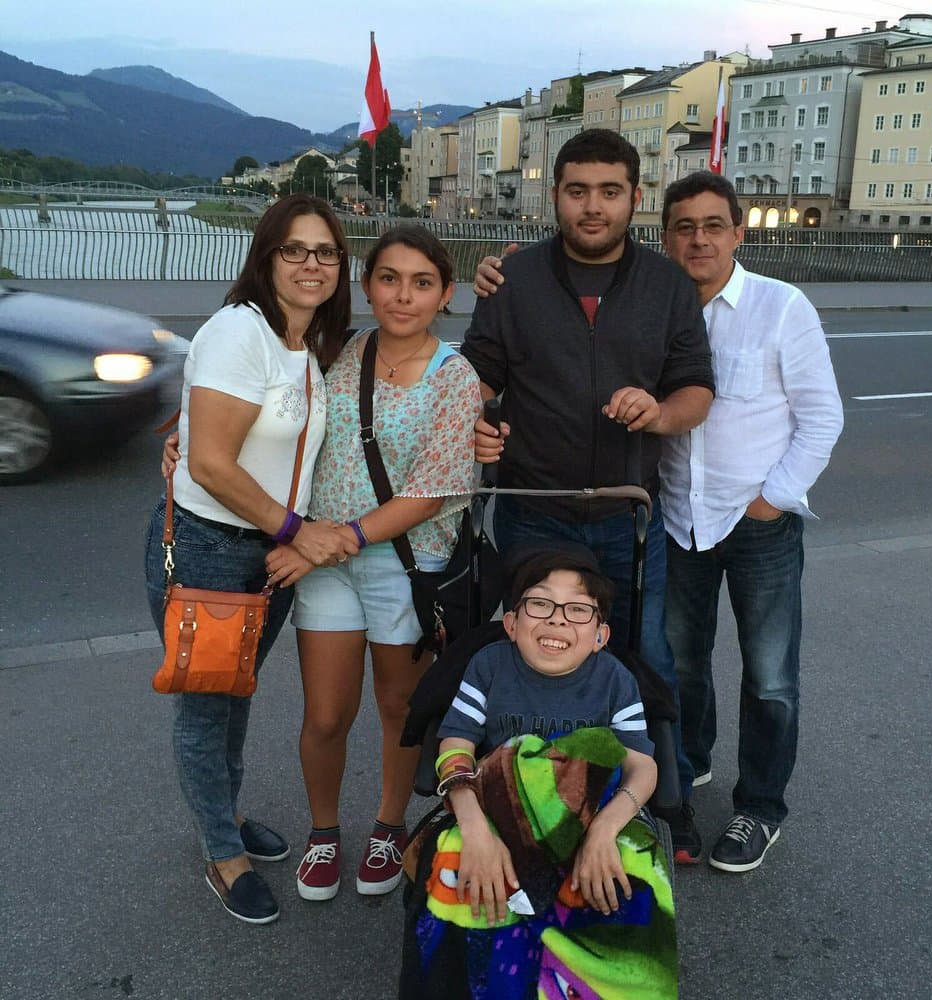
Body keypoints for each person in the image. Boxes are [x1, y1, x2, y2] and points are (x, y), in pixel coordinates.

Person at [465, 128, 715, 864]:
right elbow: (478, 374)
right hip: (532, 511)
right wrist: (470, 416)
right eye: (578, 191)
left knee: (647, 663)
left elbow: (696, 386)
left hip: (629, 519)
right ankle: (525, 800)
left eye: (610, 191)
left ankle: (667, 804)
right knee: (532, 657)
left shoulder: (668, 285)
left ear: (634, 198)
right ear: (556, 196)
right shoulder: (513, 279)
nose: (593, 206)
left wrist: (660, 413)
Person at [143, 194, 356, 924]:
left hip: (262, 553)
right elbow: (208, 462)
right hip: (211, 546)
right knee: (207, 708)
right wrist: (297, 528)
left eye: (325, 252)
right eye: (294, 250)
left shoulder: (304, 343)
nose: (311, 264)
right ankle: (220, 851)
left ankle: (221, 816)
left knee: (235, 695)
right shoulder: (243, 331)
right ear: (265, 257)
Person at [263, 226, 482, 903]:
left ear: (446, 294)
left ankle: (389, 825)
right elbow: (274, 416)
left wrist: (331, 539)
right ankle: (324, 830)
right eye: (389, 278)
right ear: (367, 286)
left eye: (422, 283)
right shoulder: (340, 351)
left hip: (407, 567)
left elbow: (428, 494)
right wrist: (192, 439)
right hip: (324, 562)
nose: (403, 295)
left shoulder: (456, 377)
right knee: (326, 714)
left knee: (398, 709)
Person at [659, 171, 844, 872]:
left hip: (758, 522)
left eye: (713, 225)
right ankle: (691, 763)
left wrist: (773, 498)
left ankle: (760, 807)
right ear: (667, 236)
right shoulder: (656, 308)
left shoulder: (780, 306)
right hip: (679, 520)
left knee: (769, 676)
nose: (699, 238)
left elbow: (822, 416)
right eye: (684, 226)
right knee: (679, 661)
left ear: (739, 232)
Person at [399, 548, 675, 998]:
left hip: (593, 811)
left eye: (578, 610)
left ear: (600, 634)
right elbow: (455, 746)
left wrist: (603, 831)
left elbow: (641, 765)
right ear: (512, 623)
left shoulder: (614, 679)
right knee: (449, 860)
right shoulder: (489, 666)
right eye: (540, 603)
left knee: (633, 873)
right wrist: (476, 830)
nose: (558, 620)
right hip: (497, 805)